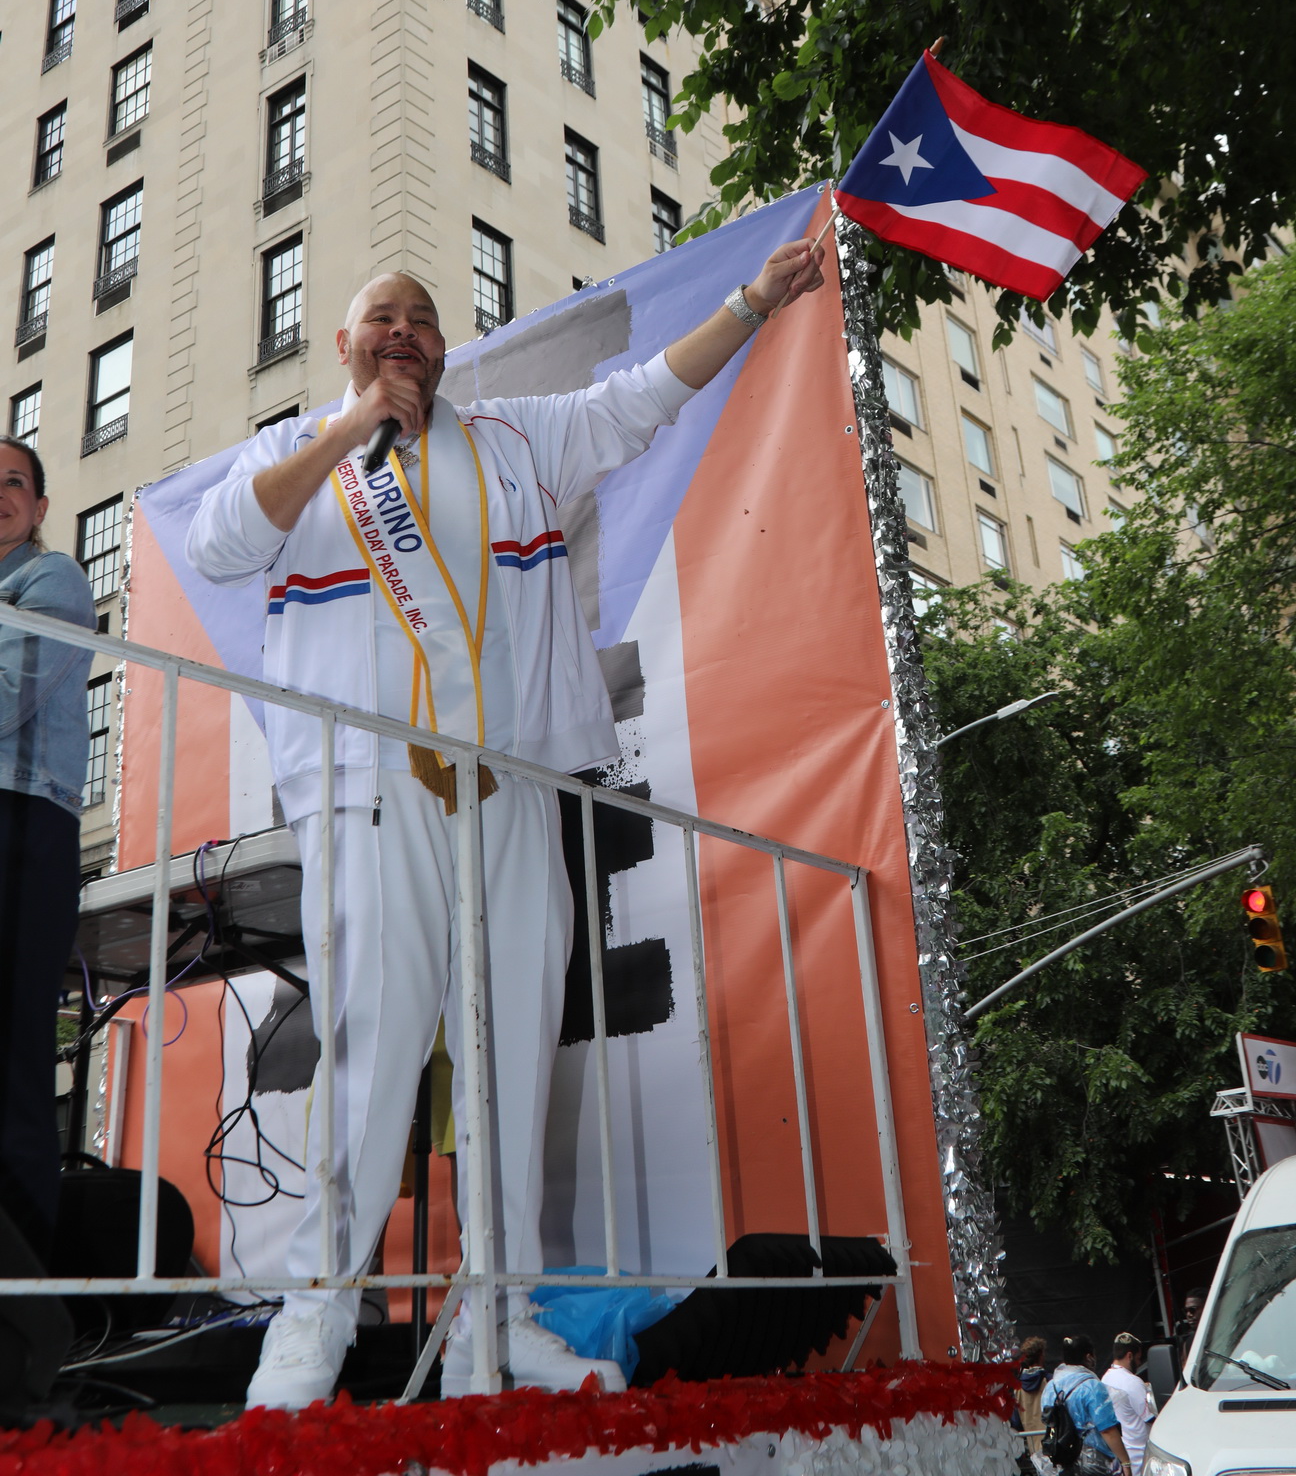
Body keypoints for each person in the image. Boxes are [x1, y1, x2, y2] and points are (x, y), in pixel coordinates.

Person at [187, 246, 825, 1410]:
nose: (404, 332)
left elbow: (637, 402)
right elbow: (220, 548)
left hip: (511, 788)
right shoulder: (295, 454)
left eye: (423, 320)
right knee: (374, 1049)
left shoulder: (515, 438)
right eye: (380, 315)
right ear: (344, 346)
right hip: (367, 785)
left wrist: (751, 300)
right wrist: (349, 434)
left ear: (446, 347)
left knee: (512, 1048)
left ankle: (500, 1314)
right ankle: (315, 1317)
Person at [0, 438, 96, 1267]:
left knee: (16, 1049)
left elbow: (5, 699)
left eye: (14, 481)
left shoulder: (50, 578)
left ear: (38, 507)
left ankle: (22, 1289)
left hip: (22, 820)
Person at [1041, 1333, 1134, 1476]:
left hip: (1061, 1460)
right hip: (1093, 1462)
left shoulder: (1051, 1387)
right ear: (1089, 1357)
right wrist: (1125, 1462)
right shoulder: (1092, 1387)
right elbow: (1107, 1430)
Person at [1102, 1332, 1154, 1476]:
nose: (1138, 1363)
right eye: (1138, 1359)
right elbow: (1151, 1418)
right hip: (1140, 1458)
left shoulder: (1106, 1378)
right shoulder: (1132, 1381)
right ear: (1129, 1356)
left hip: (1122, 1457)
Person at [1014, 1333, 1049, 1460]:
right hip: (1051, 1445)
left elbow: (1016, 1421)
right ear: (1040, 1356)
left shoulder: (1017, 1387)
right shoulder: (1050, 1381)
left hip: (1032, 1447)